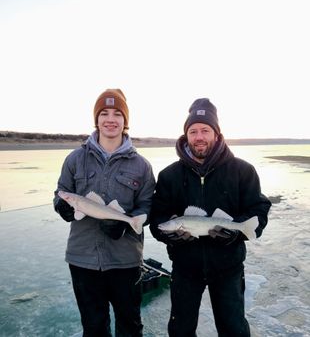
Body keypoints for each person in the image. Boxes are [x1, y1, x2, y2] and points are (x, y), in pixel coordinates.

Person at [149, 98, 271, 337]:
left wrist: (234, 234)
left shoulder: (242, 170)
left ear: (216, 134)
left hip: (228, 268)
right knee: (181, 330)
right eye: (193, 131)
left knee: (233, 330)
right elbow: (157, 219)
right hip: (185, 268)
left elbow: (259, 208)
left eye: (205, 130)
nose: (199, 137)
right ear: (186, 136)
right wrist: (173, 239)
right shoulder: (169, 175)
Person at [53, 88, 155, 337]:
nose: (110, 119)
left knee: (130, 327)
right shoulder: (75, 159)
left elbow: (147, 205)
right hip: (82, 259)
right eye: (104, 113)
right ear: (97, 119)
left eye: (117, 113)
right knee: (94, 327)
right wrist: (61, 205)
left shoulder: (141, 165)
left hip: (125, 260)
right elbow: (60, 192)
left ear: (125, 121)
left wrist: (126, 222)